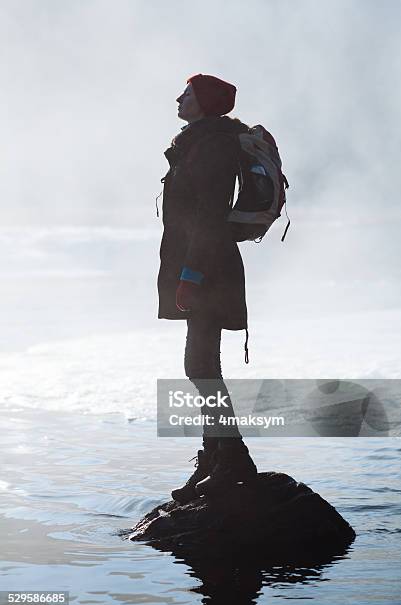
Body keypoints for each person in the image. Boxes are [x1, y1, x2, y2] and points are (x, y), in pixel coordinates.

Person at [157, 73, 257, 503]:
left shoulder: (212, 144)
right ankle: (214, 459)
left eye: (188, 92)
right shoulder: (197, 141)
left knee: (200, 368)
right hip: (200, 267)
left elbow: (211, 215)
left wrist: (191, 276)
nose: (180, 97)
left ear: (204, 102)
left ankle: (231, 459)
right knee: (201, 367)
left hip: (208, 270)